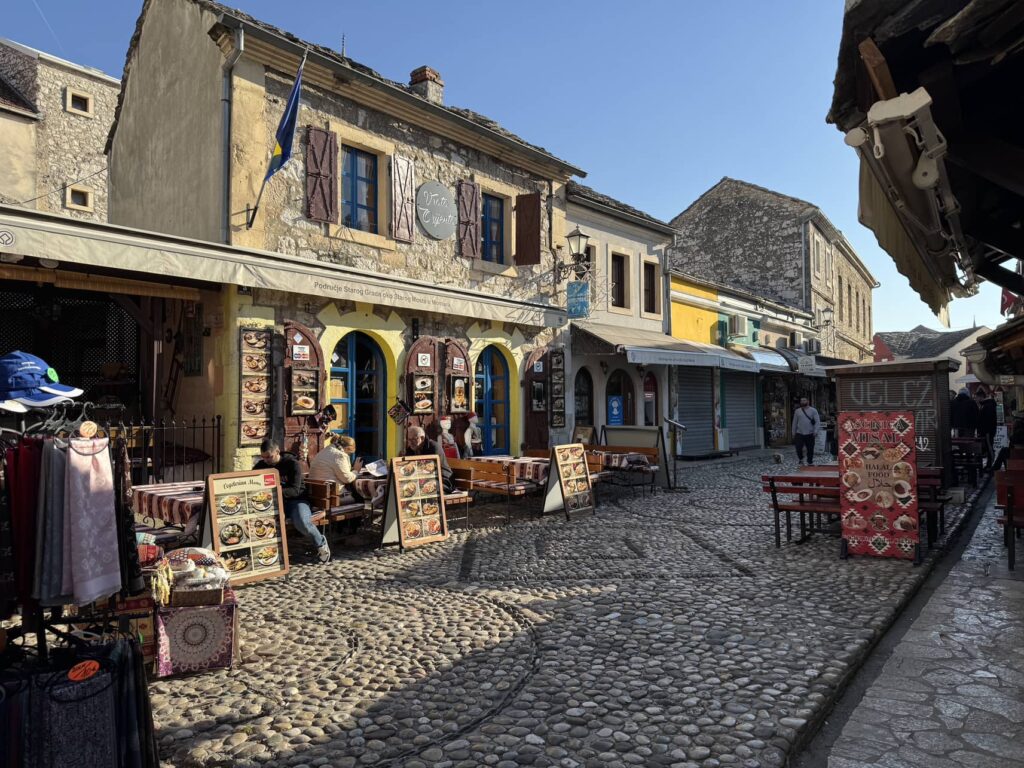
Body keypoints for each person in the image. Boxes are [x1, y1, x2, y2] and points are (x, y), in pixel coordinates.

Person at [254, 439, 330, 563]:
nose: (266, 460)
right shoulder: (261, 465)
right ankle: (265, 555)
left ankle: (320, 543)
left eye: (269, 457)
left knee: (302, 522)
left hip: (296, 500)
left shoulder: (292, 464)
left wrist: (273, 491)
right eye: (263, 457)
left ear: (277, 452)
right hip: (273, 502)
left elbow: (295, 490)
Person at [308, 435, 364, 503]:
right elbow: (347, 479)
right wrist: (356, 470)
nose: (348, 456)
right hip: (331, 498)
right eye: (349, 454)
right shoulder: (339, 455)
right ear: (347, 448)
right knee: (361, 498)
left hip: (317, 495)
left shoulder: (325, 451)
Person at [404, 425, 454, 493]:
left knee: (424, 487)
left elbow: (431, 469)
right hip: (424, 479)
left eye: (413, 439)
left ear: (422, 438)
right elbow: (407, 465)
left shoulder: (433, 447)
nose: (410, 442)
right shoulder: (411, 449)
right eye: (409, 439)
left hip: (442, 480)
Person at [791, 396, 820, 466]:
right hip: (799, 432)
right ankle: (801, 459)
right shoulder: (797, 411)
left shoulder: (813, 410)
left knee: (810, 448)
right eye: (801, 401)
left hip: (810, 433)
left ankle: (810, 461)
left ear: (808, 401)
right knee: (798, 447)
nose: (803, 402)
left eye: (804, 400)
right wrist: (793, 432)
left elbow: (817, 421)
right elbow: (794, 422)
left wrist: (816, 431)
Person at [975, 389, 998, 470]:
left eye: (976, 397)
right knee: (988, 447)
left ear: (980, 397)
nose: (975, 399)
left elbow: (988, 420)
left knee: (989, 447)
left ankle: (991, 465)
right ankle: (989, 464)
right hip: (987, 430)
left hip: (988, 431)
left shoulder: (988, 406)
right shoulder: (985, 405)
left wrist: (985, 430)